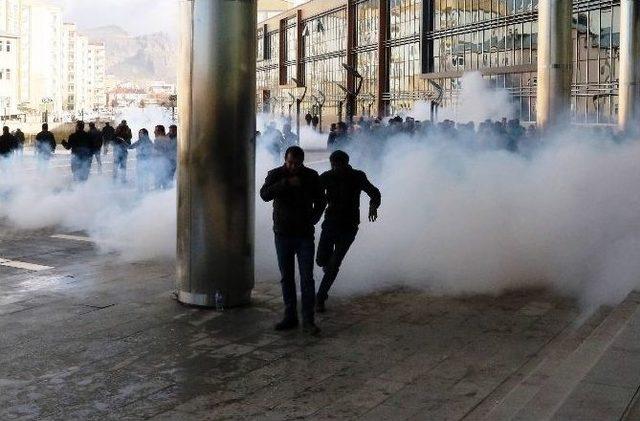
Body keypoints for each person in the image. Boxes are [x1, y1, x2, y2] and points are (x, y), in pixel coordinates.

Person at [260, 146, 326, 335]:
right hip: (282, 233)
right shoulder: (275, 174)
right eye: (290, 162)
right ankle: (290, 316)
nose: (293, 166)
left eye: (296, 164)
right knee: (286, 277)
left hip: (304, 234)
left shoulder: (311, 176)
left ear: (302, 162)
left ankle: (308, 320)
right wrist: (286, 183)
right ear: (285, 159)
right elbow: (264, 195)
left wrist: (313, 219)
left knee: (307, 278)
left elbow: (321, 201)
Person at [316, 150, 381, 313]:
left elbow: (374, 192)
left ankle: (320, 297)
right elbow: (313, 194)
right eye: (334, 166)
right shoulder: (326, 176)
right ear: (331, 164)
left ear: (346, 164)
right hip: (330, 222)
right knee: (321, 260)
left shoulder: (357, 176)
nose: (337, 169)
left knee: (335, 263)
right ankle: (327, 268)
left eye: (340, 165)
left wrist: (373, 206)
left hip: (349, 226)